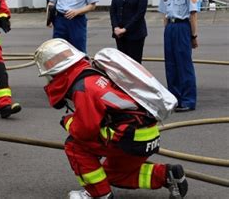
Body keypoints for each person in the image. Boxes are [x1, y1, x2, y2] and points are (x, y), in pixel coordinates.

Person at [34, 39, 188, 199]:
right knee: (113, 174)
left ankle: (99, 194)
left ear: (57, 73)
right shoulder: (92, 71)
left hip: (128, 137)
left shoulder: (83, 86)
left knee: (74, 145)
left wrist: (68, 122)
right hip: (146, 135)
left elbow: (85, 130)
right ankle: (168, 175)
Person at [158, 0, 199, 112]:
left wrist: (193, 36)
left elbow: (193, 15)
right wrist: (166, 31)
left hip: (183, 27)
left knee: (184, 65)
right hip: (170, 28)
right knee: (170, 65)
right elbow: (164, 15)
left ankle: (188, 100)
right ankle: (174, 98)